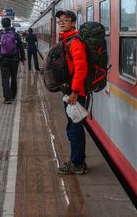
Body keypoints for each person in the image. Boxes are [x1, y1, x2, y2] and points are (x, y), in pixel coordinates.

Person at [55, 10, 88, 175]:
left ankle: (77, 164)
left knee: (74, 129)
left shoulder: (74, 42)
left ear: (74, 23)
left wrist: (74, 91)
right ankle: (79, 160)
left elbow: (81, 68)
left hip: (75, 93)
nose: (62, 22)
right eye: (60, 20)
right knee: (75, 128)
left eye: (66, 20)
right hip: (71, 90)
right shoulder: (67, 40)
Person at [0, 17, 26, 104]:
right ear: (10, 25)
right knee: (14, 77)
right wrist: (23, 58)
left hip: (3, 59)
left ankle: (7, 98)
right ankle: (13, 95)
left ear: (2, 25)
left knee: (5, 78)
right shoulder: (16, 35)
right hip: (14, 59)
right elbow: (21, 47)